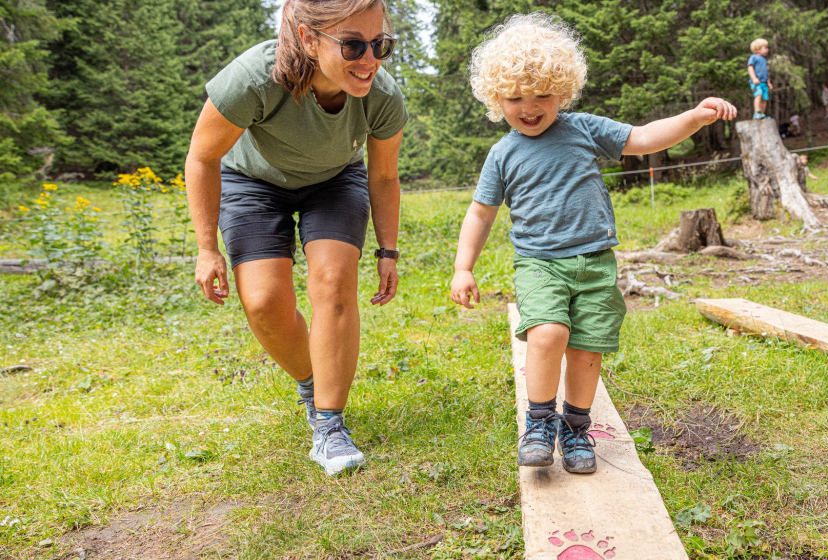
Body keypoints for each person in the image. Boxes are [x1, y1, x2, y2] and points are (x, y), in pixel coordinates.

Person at [449, 13, 735, 475]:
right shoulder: (502, 153)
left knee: (586, 348)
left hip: (595, 262)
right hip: (539, 263)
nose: (530, 106)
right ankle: (539, 422)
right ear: (494, 97)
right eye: (515, 97)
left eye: (543, 94)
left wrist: (693, 118)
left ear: (563, 89)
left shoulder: (582, 128)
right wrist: (464, 267)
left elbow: (642, 138)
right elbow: (481, 212)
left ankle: (576, 429)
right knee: (548, 333)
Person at [184, 0, 408, 476]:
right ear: (309, 40)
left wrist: (388, 250)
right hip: (253, 182)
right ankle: (312, 382)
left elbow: (385, 177)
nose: (370, 59)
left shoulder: (382, 96)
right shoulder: (253, 78)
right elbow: (202, 157)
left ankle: (329, 424)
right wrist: (207, 248)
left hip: (335, 179)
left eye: (381, 44)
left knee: (332, 284)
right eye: (353, 45)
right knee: (263, 302)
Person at [748, 39, 770, 120]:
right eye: (765, 48)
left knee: (764, 98)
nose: (767, 50)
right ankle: (757, 112)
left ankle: (762, 114)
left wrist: (769, 82)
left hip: (764, 82)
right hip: (756, 82)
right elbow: (750, 68)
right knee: (758, 94)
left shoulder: (764, 60)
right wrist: (754, 78)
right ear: (758, 49)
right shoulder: (753, 57)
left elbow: (765, 73)